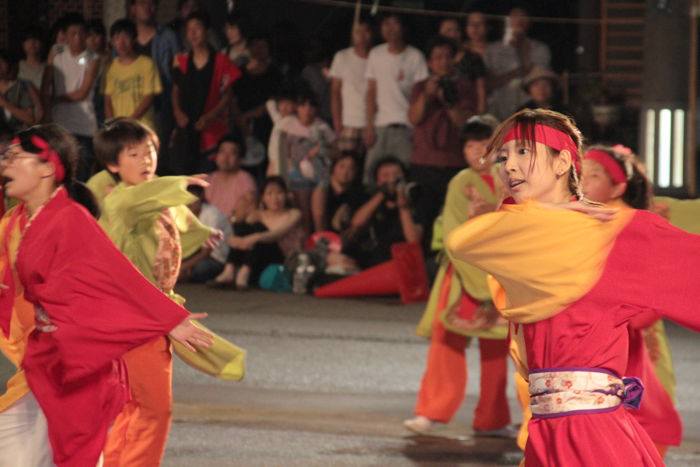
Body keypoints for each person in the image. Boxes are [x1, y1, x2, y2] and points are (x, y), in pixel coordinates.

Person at [446, 108, 700, 466]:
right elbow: (462, 242)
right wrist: (558, 213)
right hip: (546, 434)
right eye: (503, 157)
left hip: (593, 437)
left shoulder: (617, 233)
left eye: (524, 152)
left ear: (562, 161)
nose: (510, 166)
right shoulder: (528, 237)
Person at [0, 123, 211, 467]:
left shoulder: (69, 217)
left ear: (48, 168)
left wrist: (170, 320)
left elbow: (119, 275)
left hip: (77, 361)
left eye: (15, 157)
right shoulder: (17, 221)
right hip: (45, 358)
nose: (5, 165)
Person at [91, 118, 221, 466]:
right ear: (113, 165)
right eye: (134, 154)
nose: (146, 159)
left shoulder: (152, 197)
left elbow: (175, 212)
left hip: (146, 311)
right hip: (136, 314)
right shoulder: (121, 201)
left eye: (149, 151)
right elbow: (147, 197)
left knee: (134, 405)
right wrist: (180, 182)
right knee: (154, 409)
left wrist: (199, 231)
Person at [405, 118, 514, 437]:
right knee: (447, 345)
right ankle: (432, 411)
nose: (476, 151)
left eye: (483, 144)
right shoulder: (460, 182)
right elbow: (454, 236)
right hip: (464, 276)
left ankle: (493, 419)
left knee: (495, 351)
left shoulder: (511, 179)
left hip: (498, 275)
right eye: (469, 145)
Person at [582, 145, 681, 457]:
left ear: (619, 186)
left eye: (594, 176)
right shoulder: (582, 220)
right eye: (579, 175)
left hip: (627, 342)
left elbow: (654, 291)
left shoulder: (635, 225)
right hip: (593, 341)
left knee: (632, 410)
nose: (582, 182)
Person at [408, 36, 477, 247]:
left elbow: (464, 124)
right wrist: (428, 95)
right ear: (429, 62)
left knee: (454, 217)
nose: (443, 62)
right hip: (424, 163)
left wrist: (449, 100)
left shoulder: (464, 86)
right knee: (422, 218)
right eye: (437, 57)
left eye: (447, 57)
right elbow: (414, 118)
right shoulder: (420, 87)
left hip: (454, 163)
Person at [172, 11, 241, 174]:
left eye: (197, 28)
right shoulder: (180, 60)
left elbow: (227, 95)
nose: (193, 33)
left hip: (212, 129)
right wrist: (177, 111)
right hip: (186, 127)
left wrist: (210, 116)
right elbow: (176, 89)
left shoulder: (221, 60)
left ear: (207, 31)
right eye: (189, 29)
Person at [364, 14, 428, 182]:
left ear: (403, 28)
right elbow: (371, 93)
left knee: (403, 175)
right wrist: (369, 125)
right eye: (386, 23)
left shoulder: (415, 56)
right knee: (371, 175)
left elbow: (422, 94)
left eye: (395, 23)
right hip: (380, 126)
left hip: (406, 127)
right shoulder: (375, 54)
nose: (390, 28)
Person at [209, 176, 303, 289]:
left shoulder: (293, 214)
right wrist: (237, 239)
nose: (275, 198)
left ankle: (244, 272)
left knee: (259, 231)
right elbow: (239, 231)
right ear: (263, 197)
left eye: (279, 193)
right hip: (259, 259)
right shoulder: (258, 214)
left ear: (286, 195)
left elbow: (277, 235)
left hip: (281, 259)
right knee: (245, 227)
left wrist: (253, 238)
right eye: (269, 193)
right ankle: (229, 269)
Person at [47, 13, 100, 181]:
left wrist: (55, 99)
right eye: (73, 33)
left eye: (81, 33)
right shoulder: (57, 54)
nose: (77, 38)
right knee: (60, 175)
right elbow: (46, 83)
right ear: (66, 36)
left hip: (84, 125)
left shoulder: (93, 58)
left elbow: (82, 92)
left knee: (81, 177)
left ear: (86, 35)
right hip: (60, 123)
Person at [128, 0, 181, 164]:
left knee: (158, 154)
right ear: (133, 8)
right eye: (143, 3)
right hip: (130, 102)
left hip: (160, 103)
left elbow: (178, 72)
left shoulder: (167, 36)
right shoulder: (126, 36)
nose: (148, 7)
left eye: (152, 4)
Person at [346, 156, 422, 269]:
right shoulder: (372, 200)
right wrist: (382, 193)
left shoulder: (415, 201)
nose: (392, 179)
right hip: (374, 263)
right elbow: (356, 223)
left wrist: (403, 207)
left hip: (403, 263)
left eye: (396, 175)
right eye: (386, 176)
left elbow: (413, 240)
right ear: (377, 181)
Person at [278, 93, 336, 231]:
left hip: (320, 174)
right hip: (297, 174)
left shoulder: (323, 127)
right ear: (297, 108)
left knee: (319, 214)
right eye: (303, 105)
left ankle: (321, 245)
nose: (307, 109)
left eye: (311, 106)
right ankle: (305, 247)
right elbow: (283, 155)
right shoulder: (288, 126)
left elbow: (336, 151)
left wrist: (321, 150)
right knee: (303, 214)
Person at [484, 7, 550, 120]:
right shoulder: (492, 49)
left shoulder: (540, 49)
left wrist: (521, 48)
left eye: (522, 17)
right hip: (499, 109)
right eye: (514, 16)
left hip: (529, 110)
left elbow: (537, 76)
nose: (518, 21)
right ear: (506, 20)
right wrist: (516, 73)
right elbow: (488, 83)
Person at [104, 18, 163, 133]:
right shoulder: (110, 67)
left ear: (134, 39)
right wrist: (112, 125)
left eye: (126, 37)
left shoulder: (147, 63)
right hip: (119, 130)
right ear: (112, 42)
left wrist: (129, 122)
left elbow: (149, 97)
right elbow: (107, 100)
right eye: (117, 38)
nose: (121, 43)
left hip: (143, 127)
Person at [329, 19, 372, 158]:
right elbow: (335, 92)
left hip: (371, 124)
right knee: (345, 163)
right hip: (348, 123)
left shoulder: (378, 57)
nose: (362, 36)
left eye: (366, 31)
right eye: (358, 32)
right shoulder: (342, 57)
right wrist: (337, 124)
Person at [181, 184, 232, 283]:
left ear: (201, 197)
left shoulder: (212, 214)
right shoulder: (184, 214)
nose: (188, 203)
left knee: (200, 270)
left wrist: (183, 267)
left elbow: (206, 252)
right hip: (197, 254)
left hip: (217, 257)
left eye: (192, 198)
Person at [310, 151, 364, 234]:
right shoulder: (322, 190)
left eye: (351, 168)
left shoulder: (355, 193)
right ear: (333, 167)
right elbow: (319, 222)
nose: (346, 172)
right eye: (342, 166)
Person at [204, 134, 257, 218]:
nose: (226, 157)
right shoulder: (209, 179)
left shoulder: (245, 179)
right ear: (216, 156)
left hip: (235, 226)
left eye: (232, 153)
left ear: (240, 159)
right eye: (222, 151)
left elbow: (251, 206)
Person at [0, 50, 43, 137]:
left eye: (2, 63)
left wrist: (4, 104)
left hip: (17, 138)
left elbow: (30, 118)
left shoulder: (21, 86)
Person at [266, 90, 297, 177]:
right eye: (281, 104)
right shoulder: (278, 119)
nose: (284, 107)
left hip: (287, 162)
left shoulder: (294, 120)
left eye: (288, 104)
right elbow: (270, 104)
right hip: (274, 160)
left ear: (295, 106)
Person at [86, 19, 110, 127]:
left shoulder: (111, 58)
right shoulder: (82, 59)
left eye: (97, 35)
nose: (93, 39)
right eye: (89, 35)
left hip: (105, 103)